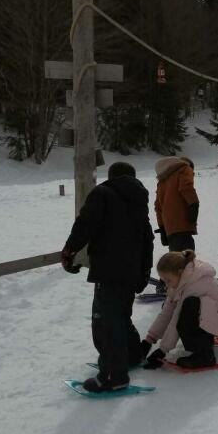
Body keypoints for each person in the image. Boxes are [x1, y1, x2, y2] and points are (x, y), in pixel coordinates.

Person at [61, 162, 154, 393]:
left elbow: (85, 224)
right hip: (131, 271)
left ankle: (114, 375)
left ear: (111, 177)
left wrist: (69, 251)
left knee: (106, 322)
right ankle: (131, 355)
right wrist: (144, 271)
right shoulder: (138, 201)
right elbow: (147, 239)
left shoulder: (102, 193)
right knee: (120, 316)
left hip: (109, 269)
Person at [141, 250, 218, 370]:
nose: (166, 285)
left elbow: (176, 319)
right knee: (188, 309)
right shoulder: (178, 282)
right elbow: (166, 314)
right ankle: (205, 339)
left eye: (168, 280)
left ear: (179, 272)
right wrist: (149, 340)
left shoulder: (194, 284)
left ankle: (205, 355)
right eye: (164, 280)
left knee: (189, 308)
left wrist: (162, 351)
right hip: (216, 314)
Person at [154, 155, 199, 253]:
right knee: (187, 258)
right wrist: (194, 204)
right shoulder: (184, 168)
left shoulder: (162, 179)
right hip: (182, 224)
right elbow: (186, 188)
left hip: (170, 228)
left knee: (175, 258)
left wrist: (162, 229)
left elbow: (158, 207)